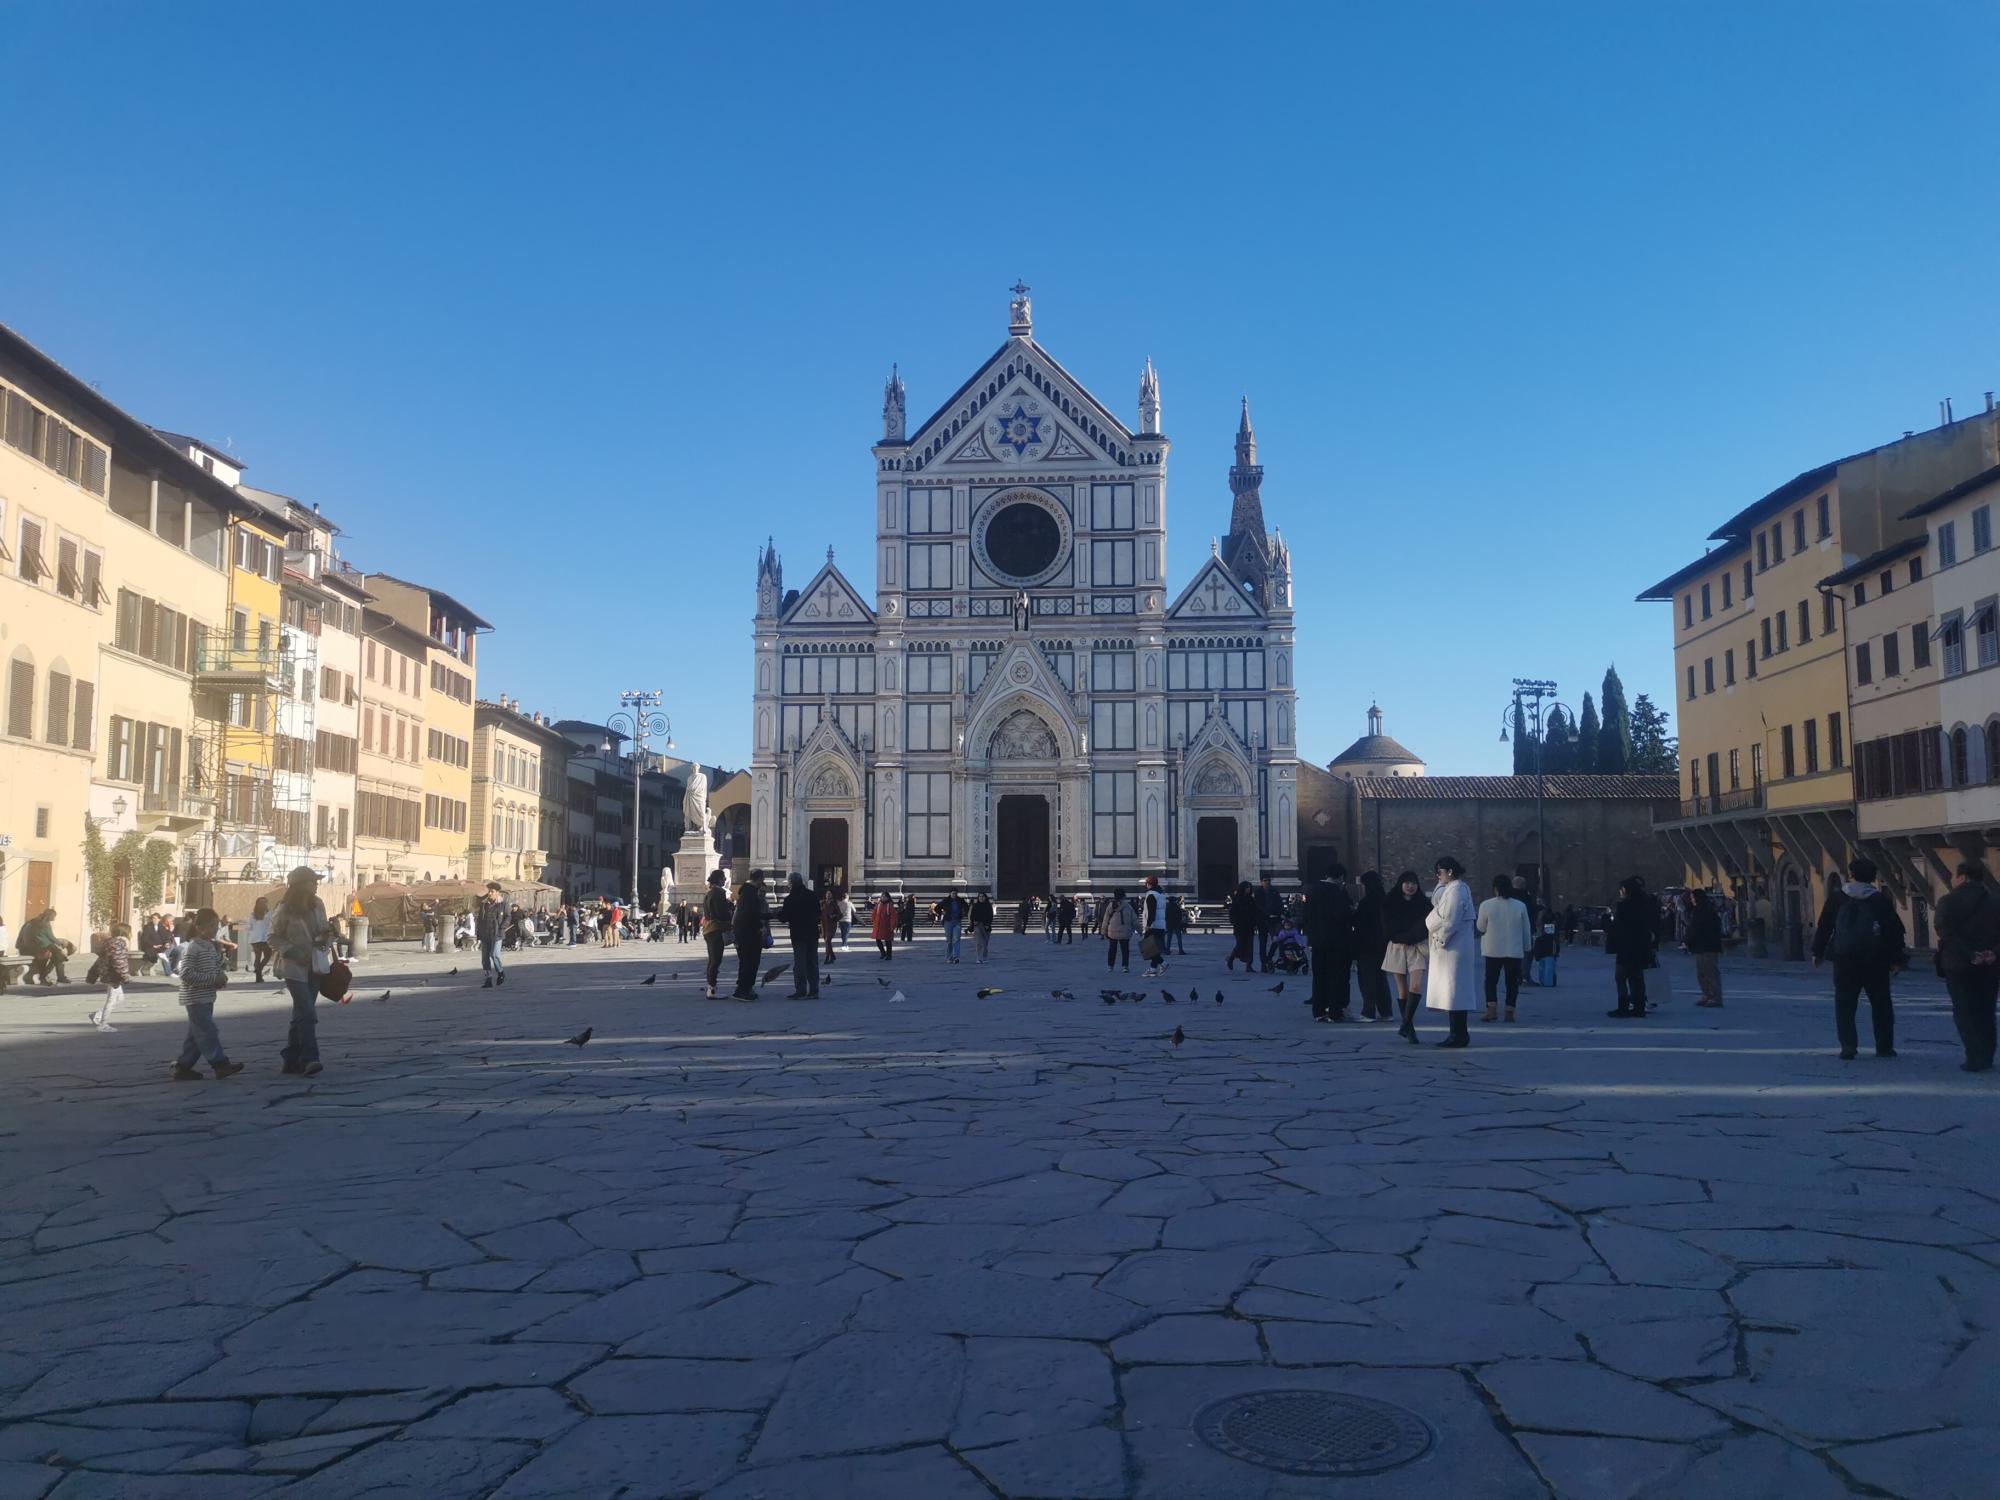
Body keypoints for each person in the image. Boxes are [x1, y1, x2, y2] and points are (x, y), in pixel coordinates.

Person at [1811, 856, 1906, 1059]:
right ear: (1873, 878)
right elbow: (1893, 931)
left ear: (1851, 875)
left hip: (1844, 959)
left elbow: (1825, 926)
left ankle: (1848, 1045)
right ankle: (1884, 1046)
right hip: (1875, 959)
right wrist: (1897, 959)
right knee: (1881, 1003)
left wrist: (1817, 952)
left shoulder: (1837, 898)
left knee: (1845, 1003)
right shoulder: (1879, 900)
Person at [1935, 859, 2000, 1073]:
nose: (1952, 880)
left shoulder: (1947, 902)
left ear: (1962, 877)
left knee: (1964, 1010)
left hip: (1959, 964)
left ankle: (1974, 1055)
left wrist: (1970, 954)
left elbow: (1946, 934)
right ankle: (1987, 1054)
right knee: (1986, 1009)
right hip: (1990, 964)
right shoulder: (1995, 901)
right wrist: (1993, 953)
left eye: (1953, 876)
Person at [168, 908, 244, 1081]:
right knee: (207, 1031)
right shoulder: (193, 947)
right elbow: (186, 974)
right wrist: (212, 979)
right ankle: (220, 1064)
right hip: (195, 998)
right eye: (212, 926)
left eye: (216, 926)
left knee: (196, 1035)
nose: (215, 930)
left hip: (206, 997)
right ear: (200, 927)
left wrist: (221, 977)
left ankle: (182, 1067)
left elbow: (215, 967)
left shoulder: (209, 945)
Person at [269, 866, 331, 1076]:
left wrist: (327, 933)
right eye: (312, 881)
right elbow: (273, 937)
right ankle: (310, 1058)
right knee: (307, 1011)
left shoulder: (318, 904)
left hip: (314, 964)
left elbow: (323, 927)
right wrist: (292, 951)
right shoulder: (284, 909)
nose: (315, 884)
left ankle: (290, 1058)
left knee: (301, 1014)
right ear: (300, 885)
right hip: (294, 967)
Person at [1425, 856, 1479, 1048]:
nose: (1437, 876)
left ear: (1449, 871)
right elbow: (1439, 909)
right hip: (1454, 947)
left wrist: (1440, 937)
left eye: (1439, 872)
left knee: (1455, 992)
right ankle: (1456, 1033)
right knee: (1453, 993)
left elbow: (1450, 920)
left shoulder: (1456, 891)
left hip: (1452, 948)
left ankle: (1459, 1035)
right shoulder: (1454, 889)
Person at [1382, 872, 1432, 1042]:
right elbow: (1387, 926)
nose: (1410, 886)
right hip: (1397, 946)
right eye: (1407, 883)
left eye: (1414, 883)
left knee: (1416, 986)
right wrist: (1401, 936)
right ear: (1401, 884)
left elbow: (1427, 924)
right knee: (1402, 990)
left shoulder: (1424, 903)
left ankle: (1405, 1023)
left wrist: (1413, 936)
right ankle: (1410, 1030)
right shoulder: (1390, 901)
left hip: (1416, 947)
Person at [1476, 874, 1531, 1024]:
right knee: (1512, 982)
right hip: (1514, 950)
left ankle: (1491, 1010)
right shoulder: (1520, 906)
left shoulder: (1486, 905)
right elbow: (1526, 930)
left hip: (1493, 949)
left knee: (1491, 981)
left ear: (1495, 888)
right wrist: (1526, 947)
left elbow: (1480, 927)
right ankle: (1509, 1012)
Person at [1303, 864, 1354, 1023]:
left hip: (1317, 942)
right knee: (1335, 977)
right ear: (1341, 878)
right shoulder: (1337, 893)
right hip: (1335, 942)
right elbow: (1343, 916)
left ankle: (1318, 1011)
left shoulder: (1312, 891)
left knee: (1319, 977)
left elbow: (1306, 916)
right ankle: (1334, 1011)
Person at [1606, 876, 1659, 1019]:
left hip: (1626, 947)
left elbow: (1618, 927)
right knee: (1637, 978)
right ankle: (1638, 1006)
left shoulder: (1624, 907)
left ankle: (1623, 1005)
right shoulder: (1646, 904)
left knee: (1621, 976)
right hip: (1641, 946)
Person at [1352, 871, 1393, 1022]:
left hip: (1366, 945)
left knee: (1367, 978)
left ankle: (1368, 1012)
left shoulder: (1366, 903)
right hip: (1382, 945)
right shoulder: (1386, 900)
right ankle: (1386, 1011)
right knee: (1381, 978)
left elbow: (1357, 922)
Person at [731, 870, 771, 1002]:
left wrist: (768, 916)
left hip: (743, 932)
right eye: (762, 880)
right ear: (759, 879)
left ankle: (742, 989)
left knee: (745, 962)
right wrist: (760, 927)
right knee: (751, 962)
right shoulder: (751, 894)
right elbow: (751, 915)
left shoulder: (745, 893)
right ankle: (744, 990)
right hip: (749, 934)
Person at [780, 873, 821, 998]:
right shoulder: (813, 895)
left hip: (798, 935)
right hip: (812, 933)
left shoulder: (790, 899)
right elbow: (818, 913)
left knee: (800, 963)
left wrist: (777, 913)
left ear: (791, 883)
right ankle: (814, 990)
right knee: (812, 962)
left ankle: (801, 990)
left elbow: (784, 918)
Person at [1683, 888, 1724, 1007]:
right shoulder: (1700, 910)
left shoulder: (1704, 911)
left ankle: (1715, 997)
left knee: (1710, 972)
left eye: (1693, 898)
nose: (1692, 900)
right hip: (1701, 945)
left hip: (1708, 945)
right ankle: (1707, 995)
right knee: (1701, 973)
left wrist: (1686, 940)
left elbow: (1695, 928)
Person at [89, 921, 132, 1031]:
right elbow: (119, 961)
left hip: (108, 973)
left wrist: (93, 974)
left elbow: (100, 960)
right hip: (112, 974)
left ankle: (97, 1015)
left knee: (120, 998)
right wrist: (125, 976)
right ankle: (103, 1024)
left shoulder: (110, 942)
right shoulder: (118, 943)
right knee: (112, 999)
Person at [699, 870, 734, 998]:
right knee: (716, 961)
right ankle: (712, 990)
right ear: (719, 879)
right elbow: (721, 913)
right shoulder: (719, 893)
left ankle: (711, 987)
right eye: (723, 878)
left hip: (708, 929)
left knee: (712, 960)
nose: (725, 880)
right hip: (716, 929)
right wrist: (730, 913)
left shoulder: (708, 893)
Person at [474, 882, 509, 988]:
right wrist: (478, 932)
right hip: (485, 934)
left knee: (494, 955)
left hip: (497, 934)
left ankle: (500, 972)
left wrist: (502, 927)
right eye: (488, 891)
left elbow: (508, 917)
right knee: (484, 958)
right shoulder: (484, 904)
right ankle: (488, 978)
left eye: (492, 891)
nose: (489, 893)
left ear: (497, 893)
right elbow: (480, 919)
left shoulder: (503, 904)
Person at [21, 908, 67, 985]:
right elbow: (51, 937)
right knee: (54, 956)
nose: (54, 918)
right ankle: (55, 977)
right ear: (50, 916)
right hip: (40, 946)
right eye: (54, 916)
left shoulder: (37, 921)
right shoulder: (44, 924)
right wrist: (60, 943)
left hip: (39, 945)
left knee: (56, 956)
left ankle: (49, 976)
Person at [1225, 880, 1260, 973]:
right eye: (1246, 888)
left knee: (1250, 946)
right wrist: (1235, 922)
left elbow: (1255, 912)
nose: (1248, 889)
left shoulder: (1251, 900)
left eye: (1249, 888)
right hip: (1239, 926)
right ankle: (1231, 958)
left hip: (1249, 926)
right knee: (1240, 945)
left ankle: (1249, 965)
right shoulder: (1237, 900)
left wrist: (1255, 922)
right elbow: (1232, 913)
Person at [1139, 874, 1170, 978]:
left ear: (1148, 884)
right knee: (1154, 948)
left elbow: (1151, 912)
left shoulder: (1151, 895)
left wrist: (1148, 925)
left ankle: (1164, 964)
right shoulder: (1161, 894)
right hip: (1161, 925)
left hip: (1153, 925)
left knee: (1149, 948)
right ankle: (1152, 970)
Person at [1099, 887, 1136, 972]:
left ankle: (1110, 966)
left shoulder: (1110, 906)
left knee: (1112, 949)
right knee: (1125, 950)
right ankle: (1125, 966)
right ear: (1123, 896)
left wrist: (1103, 931)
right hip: (1125, 931)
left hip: (1112, 932)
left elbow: (1106, 919)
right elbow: (1134, 919)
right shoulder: (1128, 906)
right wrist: (1140, 930)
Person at [1256, 875, 1283, 972]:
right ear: (1261, 882)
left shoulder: (1274, 891)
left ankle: (1269, 958)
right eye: (1265, 880)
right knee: (1262, 943)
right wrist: (1267, 914)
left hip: (1275, 920)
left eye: (1269, 880)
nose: (1267, 882)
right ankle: (1264, 964)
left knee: (1277, 940)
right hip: (1263, 921)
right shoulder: (1258, 892)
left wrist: (1279, 913)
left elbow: (1279, 903)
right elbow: (1258, 906)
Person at [245, 897, 275, 982]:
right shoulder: (269, 913)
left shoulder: (252, 914)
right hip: (265, 937)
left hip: (255, 938)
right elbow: (274, 923)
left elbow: (249, 927)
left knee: (257, 957)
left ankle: (258, 975)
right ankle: (259, 971)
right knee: (267, 956)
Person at [940, 889, 968, 964]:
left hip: (957, 922)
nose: (954, 895)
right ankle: (949, 957)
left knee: (956, 939)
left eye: (955, 893)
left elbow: (966, 907)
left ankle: (956, 957)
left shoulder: (960, 900)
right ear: (950, 893)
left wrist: (964, 914)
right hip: (948, 922)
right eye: (952, 893)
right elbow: (937, 908)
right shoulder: (946, 900)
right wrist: (942, 912)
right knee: (949, 940)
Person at [1532, 916, 1561, 988]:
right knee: (1549, 970)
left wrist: (1537, 957)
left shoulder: (1539, 939)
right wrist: (1556, 954)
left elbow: (1536, 948)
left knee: (1542, 969)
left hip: (1541, 956)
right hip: (1550, 955)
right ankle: (1548, 983)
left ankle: (1542, 981)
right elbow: (1556, 947)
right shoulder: (1554, 939)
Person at [969, 891, 995, 963]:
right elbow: (972, 916)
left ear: (985, 898)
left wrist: (988, 924)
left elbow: (991, 916)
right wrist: (973, 922)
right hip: (977, 926)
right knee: (979, 943)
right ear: (978, 898)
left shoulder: (988, 906)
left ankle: (984, 957)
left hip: (986, 926)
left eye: (983, 896)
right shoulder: (975, 906)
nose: (981, 898)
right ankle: (979, 958)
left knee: (985, 943)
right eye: (980, 896)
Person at [872, 890, 898, 960]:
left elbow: (893, 916)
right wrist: (874, 922)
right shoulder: (878, 904)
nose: (882, 897)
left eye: (884, 896)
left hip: (887, 926)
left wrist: (892, 926)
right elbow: (874, 914)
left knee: (888, 940)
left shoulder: (890, 905)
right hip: (879, 925)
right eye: (882, 896)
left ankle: (889, 955)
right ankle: (883, 953)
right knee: (878, 940)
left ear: (887, 897)